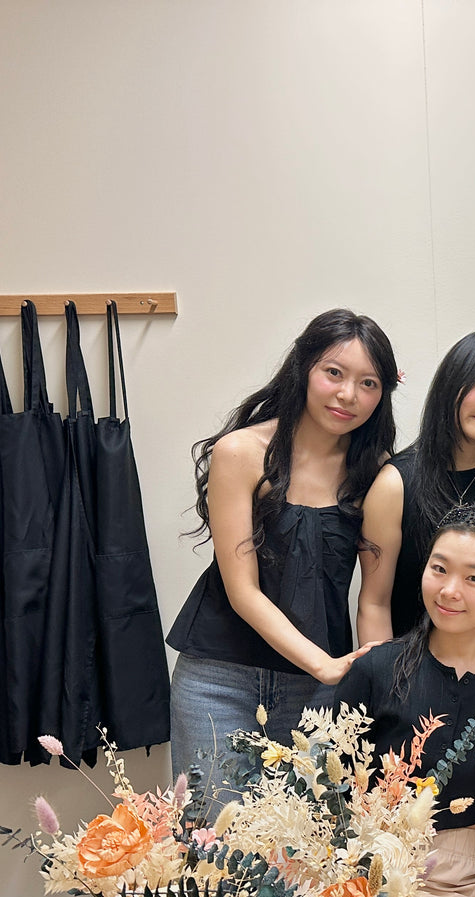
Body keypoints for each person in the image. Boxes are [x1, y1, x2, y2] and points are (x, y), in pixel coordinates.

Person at [166, 309, 396, 795]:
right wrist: (325, 666)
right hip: (218, 678)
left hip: (316, 690)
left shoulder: (377, 472)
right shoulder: (241, 452)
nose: (348, 395)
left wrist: (379, 687)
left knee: (300, 857)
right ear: (304, 368)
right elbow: (242, 590)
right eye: (334, 373)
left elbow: (374, 600)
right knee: (212, 853)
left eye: (369, 383)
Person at [324, 504, 475, 897]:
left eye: (474, 578)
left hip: (462, 878)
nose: (449, 591)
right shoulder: (375, 668)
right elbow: (329, 785)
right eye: (439, 569)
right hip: (364, 867)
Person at [357, 330, 475, 644]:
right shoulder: (395, 484)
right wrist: (386, 686)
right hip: (414, 671)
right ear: (452, 383)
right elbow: (374, 603)